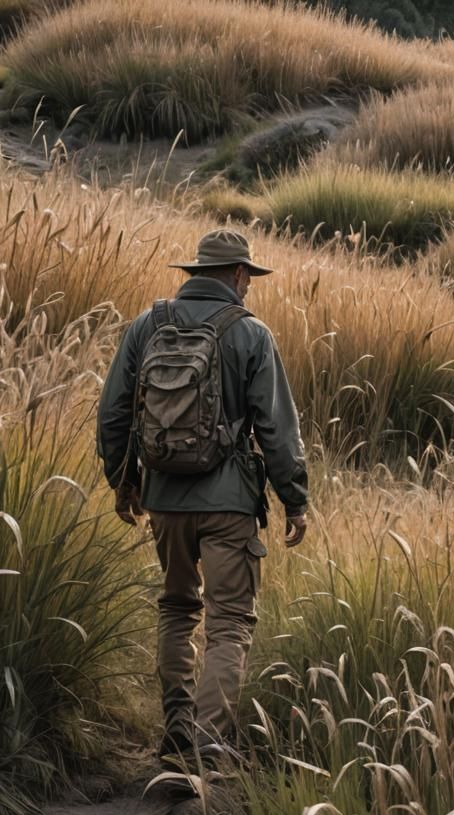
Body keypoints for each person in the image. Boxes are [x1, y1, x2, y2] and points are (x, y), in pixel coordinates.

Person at [97, 228, 308, 768]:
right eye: (248, 279)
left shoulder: (148, 325)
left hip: (164, 501)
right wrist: (295, 497)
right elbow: (277, 429)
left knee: (176, 608)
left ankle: (175, 732)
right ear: (239, 275)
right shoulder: (251, 334)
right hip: (229, 504)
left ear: (194, 273)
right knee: (229, 621)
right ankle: (207, 749)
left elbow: (114, 412)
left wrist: (123, 482)